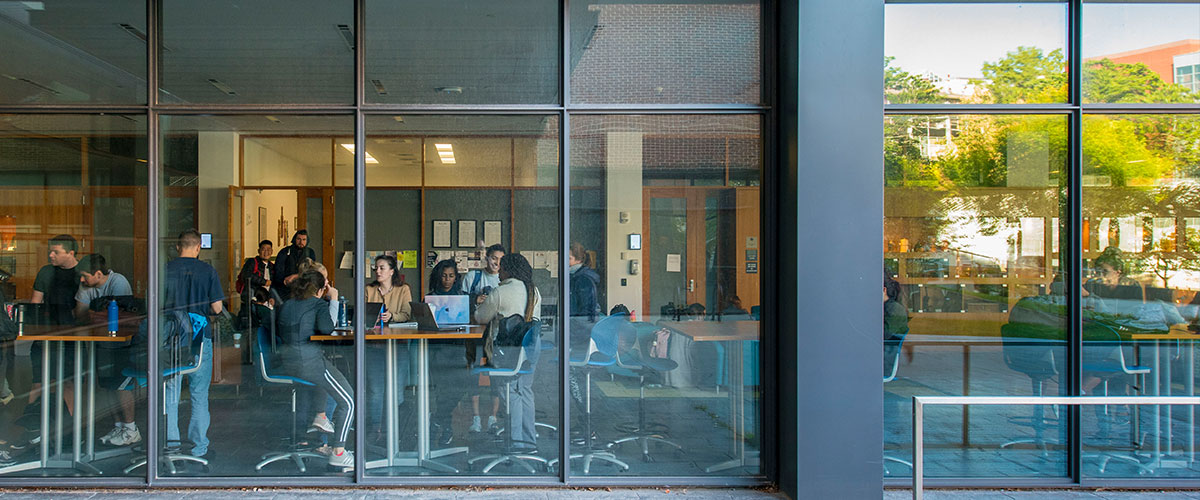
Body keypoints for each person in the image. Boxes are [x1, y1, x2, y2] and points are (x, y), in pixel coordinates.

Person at [276, 270, 355, 468]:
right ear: (320, 290)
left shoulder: (286, 305)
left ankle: (320, 416)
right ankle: (338, 451)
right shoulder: (318, 304)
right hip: (309, 363)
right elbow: (327, 329)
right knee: (349, 401)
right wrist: (333, 299)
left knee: (327, 379)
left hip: (289, 363)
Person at [163, 229, 223, 460]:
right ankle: (199, 448)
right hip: (198, 338)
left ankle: (172, 446)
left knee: (171, 393)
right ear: (198, 248)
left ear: (178, 247)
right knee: (199, 393)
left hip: (170, 340)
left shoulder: (166, 269)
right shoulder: (207, 271)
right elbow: (217, 308)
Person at [474, 253, 541, 453]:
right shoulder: (534, 290)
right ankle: (529, 442)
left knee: (510, 392)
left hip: (508, 350)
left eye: (502, 267)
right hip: (530, 348)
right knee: (525, 391)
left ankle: (515, 444)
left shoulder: (500, 292)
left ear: (509, 270)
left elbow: (480, 317)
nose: (499, 271)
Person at [73, 254, 141, 447]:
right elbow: (81, 314)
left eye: (85, 276)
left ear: (98, 273)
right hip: (101, 342)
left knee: (121, 386)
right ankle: (119, 426)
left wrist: (94, 314)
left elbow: (119, 315)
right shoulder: (87, 285)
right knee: (107, 386)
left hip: (122, 344)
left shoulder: (118, 282)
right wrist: (96, 314)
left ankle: (130, 429)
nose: (82, 280)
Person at [22, 235, 81, 430]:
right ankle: (30, 428)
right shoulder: (46, 272)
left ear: (71, 253)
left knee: (68, 384)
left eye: (56, 252)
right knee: (39, 383)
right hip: (46, 336)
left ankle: (69, 431)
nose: (51, 255)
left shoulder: (82, 273)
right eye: (50, 251)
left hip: (74, 338)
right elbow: (35, 303)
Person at [363, 255, 411, 444]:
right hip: (375, 346)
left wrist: (392, 316)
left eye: (382, 268)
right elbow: (363, 314)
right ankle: (375, 429)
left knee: (397, 390)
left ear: (392, 271)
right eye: (376, 268)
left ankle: (394, 429)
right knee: (375, 390)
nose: (378, 271)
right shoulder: (369, 289)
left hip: (397, 346)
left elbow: (407, 314)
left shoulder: (403, 290)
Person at [459, 244, 504, 432]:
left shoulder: (506, 281)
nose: (497, 262)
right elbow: (459, 304)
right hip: (474, 333)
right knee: (474, 373)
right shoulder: (473, 277)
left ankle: (493, 417)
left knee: (496, 375)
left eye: (501, 259)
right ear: (486, 258)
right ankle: (476, 417)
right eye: (494, 258)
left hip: (497, 334)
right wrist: (474, 299)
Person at [273, 230, 316, 300]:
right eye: (298, 239)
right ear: (294, 239)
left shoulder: (310, 252)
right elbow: (278, 269)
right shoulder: (285, 251)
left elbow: (311, 270)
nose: (301, 242)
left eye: (304, 239)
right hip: (285, 287)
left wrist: (296, 276)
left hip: (303, 287)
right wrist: (284, 280)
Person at [237, 239, 273, 318]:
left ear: (272, 252)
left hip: (266, 301)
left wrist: (271, 297)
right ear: (258, 251)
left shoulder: (271, 266)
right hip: (252, 300)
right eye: (263, 249)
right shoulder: (252, 262)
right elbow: (246, 275)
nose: (266, 252)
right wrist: (264, 282)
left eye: (268, 249)